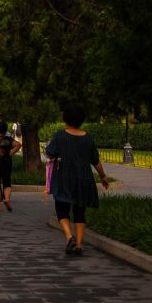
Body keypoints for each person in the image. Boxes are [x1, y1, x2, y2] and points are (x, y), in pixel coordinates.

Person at [46, 105, 110, 256]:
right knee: (80, 213)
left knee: (62, 210)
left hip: (64, 178)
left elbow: (50, 154)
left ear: (65, 118)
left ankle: (69, 237)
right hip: (84, 179)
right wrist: (103, 176)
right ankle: (79, 245)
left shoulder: (60, 136)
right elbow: (96, 161)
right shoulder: (88, 138)